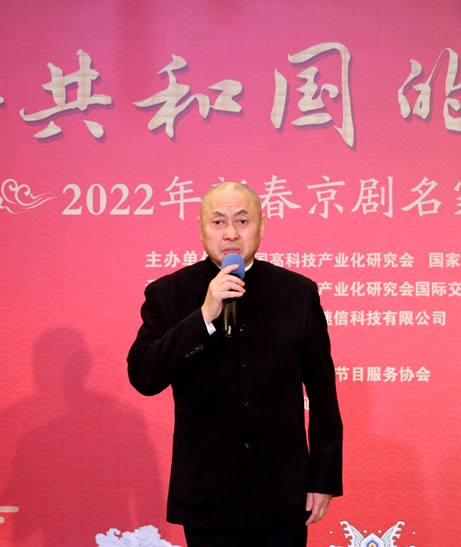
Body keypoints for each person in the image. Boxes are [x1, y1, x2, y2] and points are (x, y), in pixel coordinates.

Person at [127, 182, 342, 547]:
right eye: (218, 222)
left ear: (262, 225)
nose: (230, 233)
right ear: (201, 229)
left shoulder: (297, 293)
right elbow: (144, 375)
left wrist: (323, 478)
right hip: (207, 495)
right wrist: (204, 316)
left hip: (282, 492)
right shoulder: (168, 293)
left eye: (242, 221)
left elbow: (323, 395)